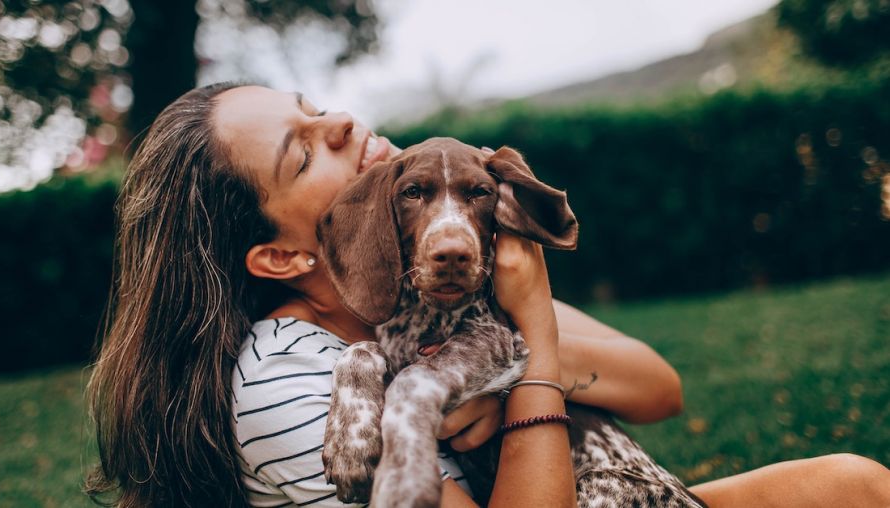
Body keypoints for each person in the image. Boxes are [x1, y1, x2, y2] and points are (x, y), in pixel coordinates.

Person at [86, 82, 890, 507]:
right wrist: (532, 340)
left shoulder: (449, 268)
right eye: (302, 153)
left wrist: (507, 364)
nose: (339, 122)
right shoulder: (287, 379)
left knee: (855, 486)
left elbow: (658, 388)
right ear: (281, 254)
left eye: (313, 106)